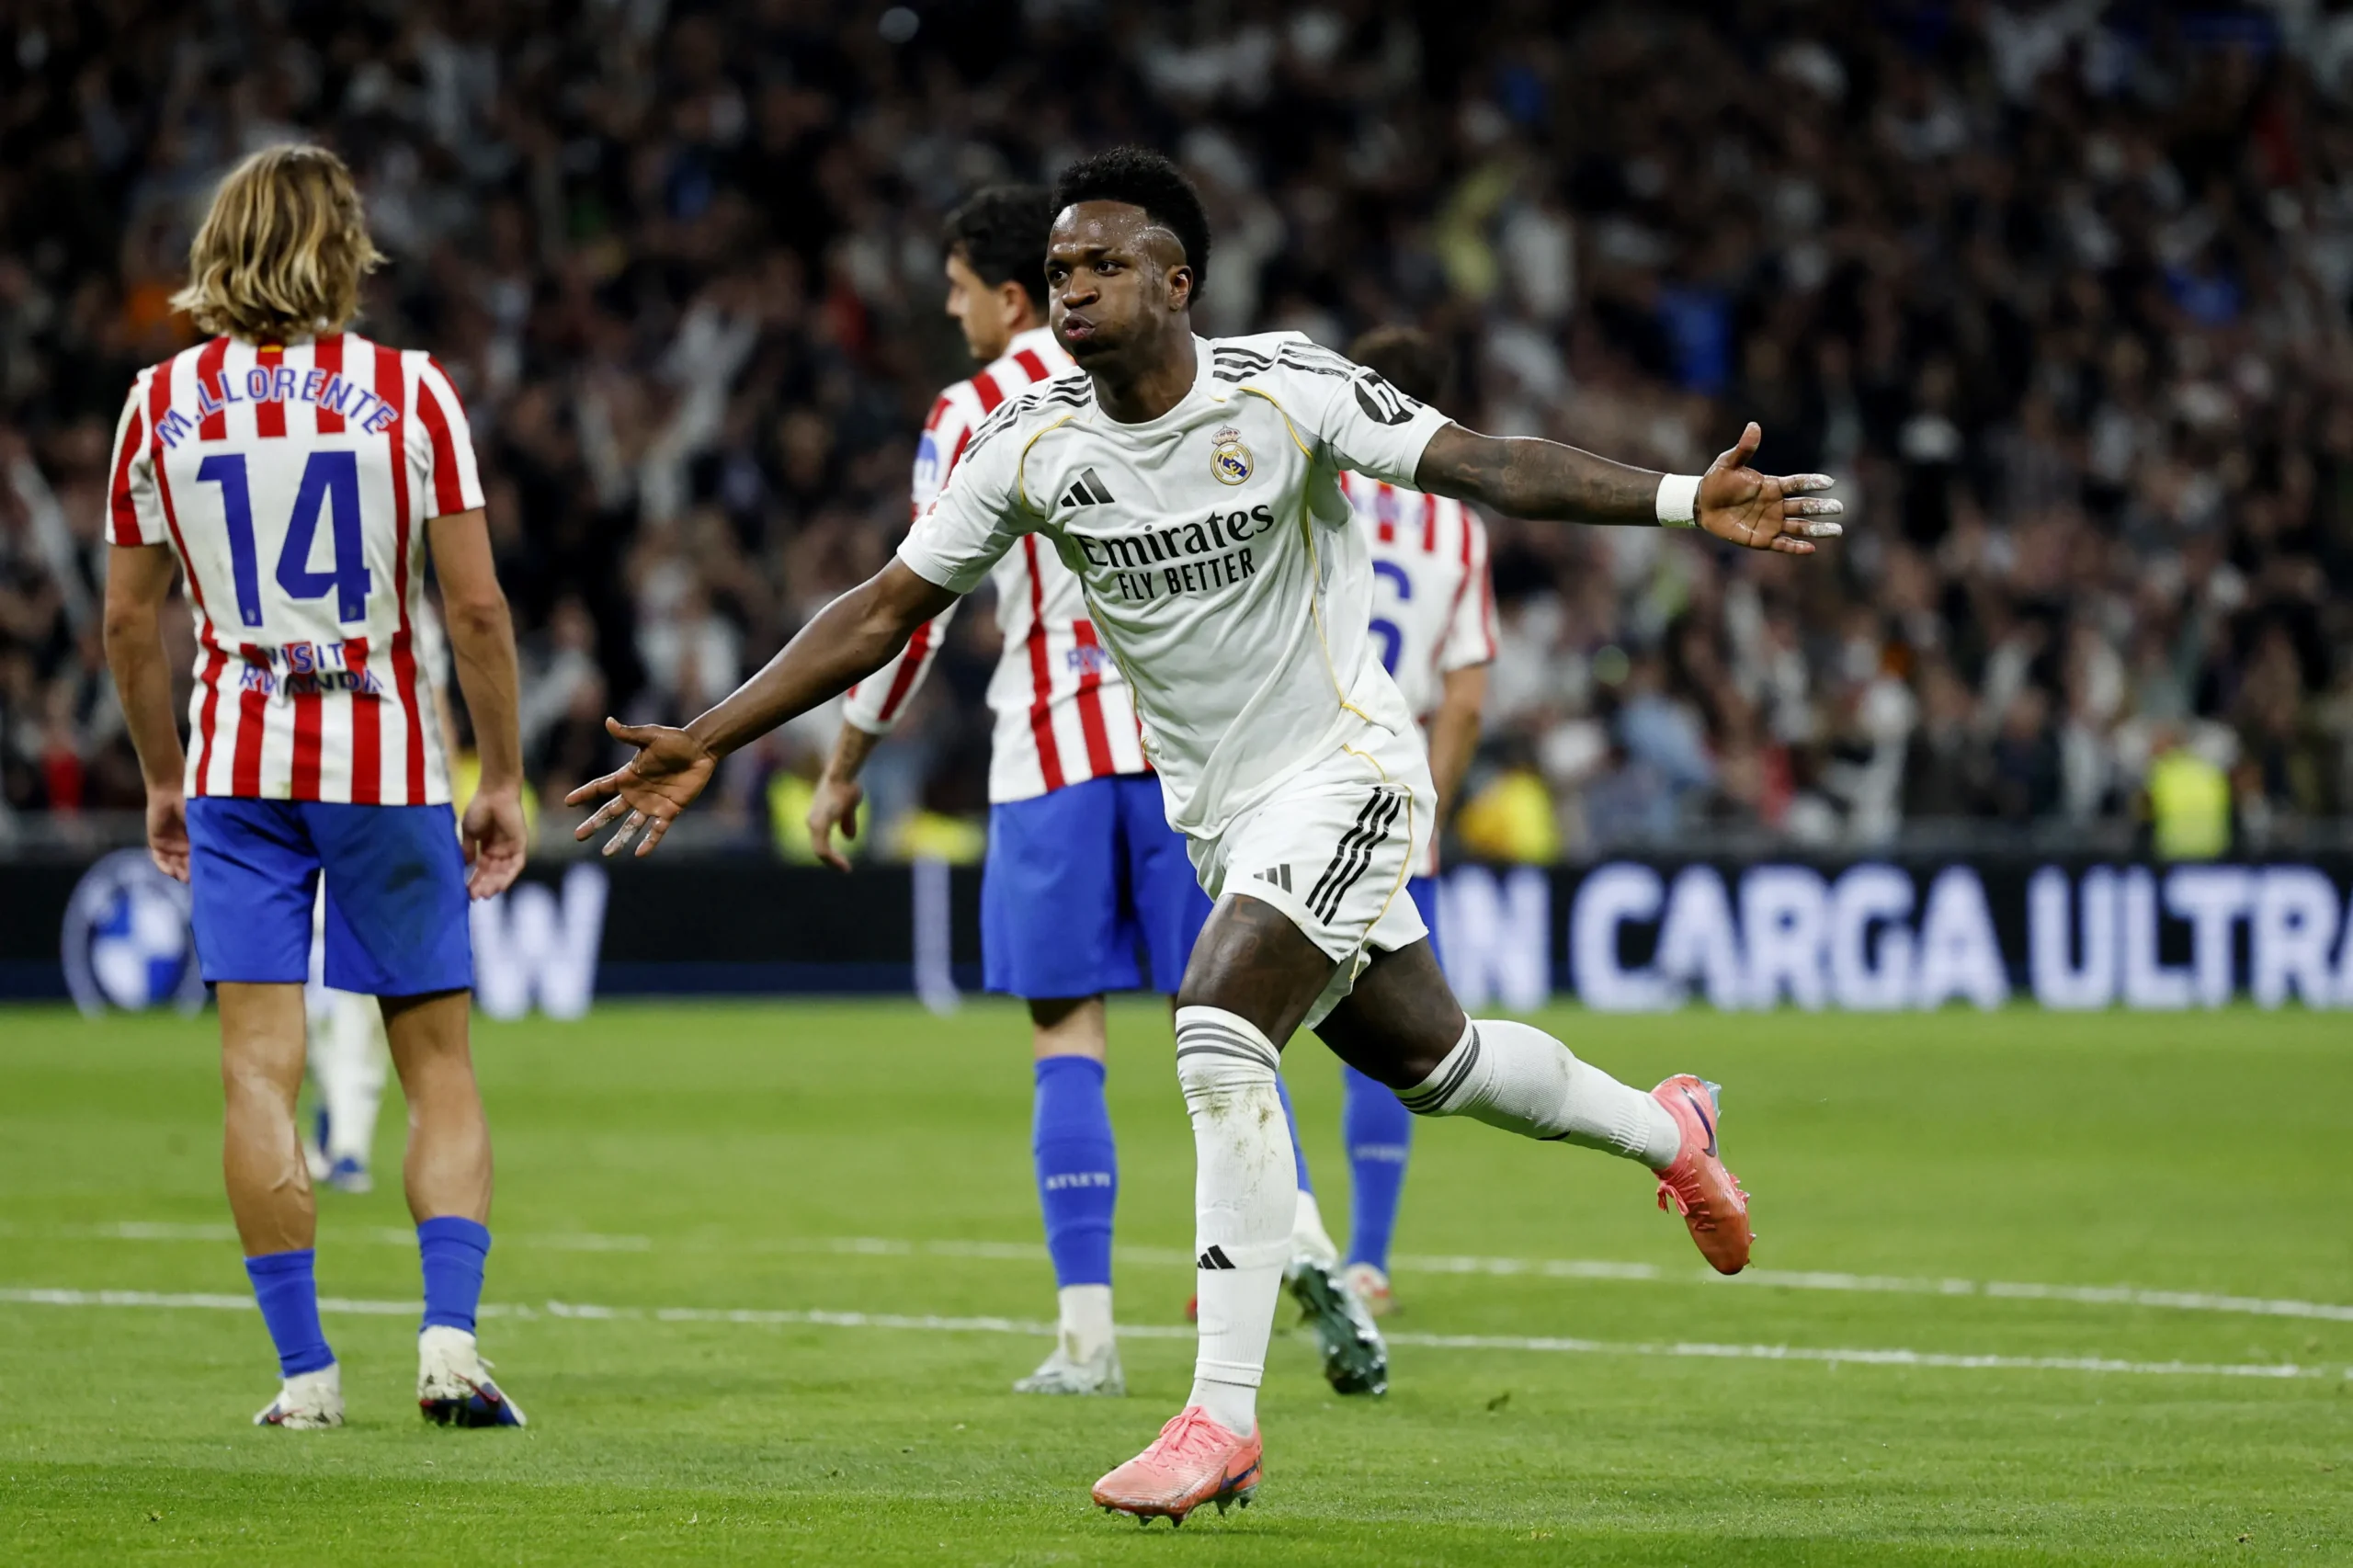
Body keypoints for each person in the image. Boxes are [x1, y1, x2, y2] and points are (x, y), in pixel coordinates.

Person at [567, 147, 1840, 1521]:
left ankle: (1217, 1418)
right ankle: (1671, 1130)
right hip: (1226, 817)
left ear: (1179, 283)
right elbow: (884, 609)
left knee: (1217, 1025)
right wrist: (713, 729)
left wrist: (1676, 500)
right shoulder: (1032, 443)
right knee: (1441, 1062)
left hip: (1346, 772)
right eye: (1058, 271)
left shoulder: (1285, 389)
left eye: (1104, 265)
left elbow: (1484, 463)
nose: (1073, 290)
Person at [805, 187, 1381, 1399]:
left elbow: (906, 613)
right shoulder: (1184, 378)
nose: (953, 311)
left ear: (1012, 290)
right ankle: (1313, 1248)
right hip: (1199, 762)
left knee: (1067, 1033)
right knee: (1237, 1026)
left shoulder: (979, 414)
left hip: (1052, 760)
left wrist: (850, 754)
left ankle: (1086, 1336)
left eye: (960, 289)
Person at [101, 144, 529, 1431]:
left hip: (235, 762)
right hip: (387, 758)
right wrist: (499, 773)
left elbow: (129, 623)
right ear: (346, 249)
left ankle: (304, 1376)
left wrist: (160, 775)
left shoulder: (158, 401)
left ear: (216, 249)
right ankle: (448, 1346)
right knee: (437, 1062)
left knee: (255, 1070)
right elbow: (475, 607)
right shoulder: (410, 393)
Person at [1327, 324, 1497, 1316]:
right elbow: (1465, 697)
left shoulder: (1315, 482)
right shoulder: (1458, 525)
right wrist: (1419, 805)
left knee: (1235, 1021)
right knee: (1387, 1036)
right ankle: (1366, 1259)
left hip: (1293, 785)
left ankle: (1281, 1238)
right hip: (1394, 801)